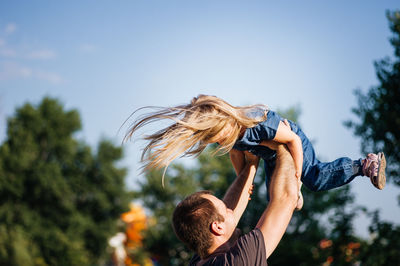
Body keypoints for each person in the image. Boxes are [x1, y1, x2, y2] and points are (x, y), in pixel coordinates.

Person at [125, 95, 386, 209]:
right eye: (215, 140)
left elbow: (293, 141)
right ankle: (292, 194)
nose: (221, 141)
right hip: (271, 154)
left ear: (228, 122)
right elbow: (235, 153)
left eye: (220, 136)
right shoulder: (228, 136)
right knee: (271, 196)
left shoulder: (257, 125)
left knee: (314, 178)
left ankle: (363, 165)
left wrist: (296, 180)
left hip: (292, 140)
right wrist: (243, 181)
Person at [172, 143, 299, 264]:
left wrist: (251, 164)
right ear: (217, 227)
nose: (231, 210)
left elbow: (224, 214)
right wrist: (283, 147)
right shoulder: (237, 261)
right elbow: (285, 198)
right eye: (225, 209)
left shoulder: (200, 259)